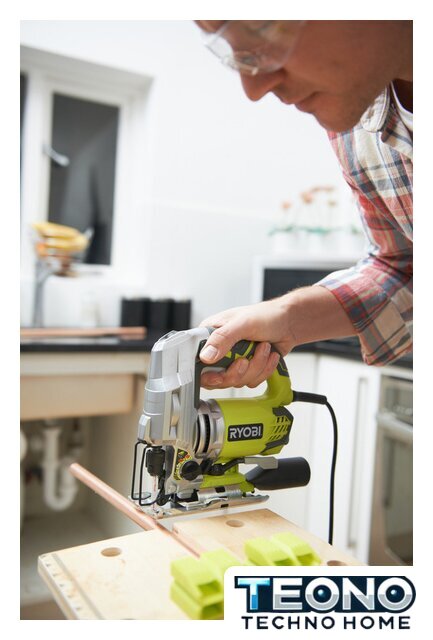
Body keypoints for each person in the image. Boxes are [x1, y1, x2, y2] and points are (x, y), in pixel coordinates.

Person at [195, 21, 413, 390]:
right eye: (235, 56)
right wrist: (287, 317)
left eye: (262, 34)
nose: (254, 89)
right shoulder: (356, 124)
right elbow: (403, 267)